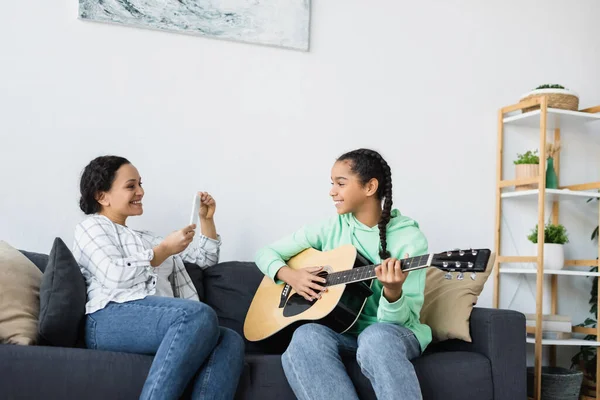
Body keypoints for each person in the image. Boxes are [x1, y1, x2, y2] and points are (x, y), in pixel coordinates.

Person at [254, 148, 430, 400]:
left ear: (370, 187)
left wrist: (392, 292)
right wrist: (290, 275)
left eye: (341, 183)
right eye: (332, 183)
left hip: (393, 333)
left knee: (375, 337)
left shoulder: (408, 238)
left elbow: (400, 323)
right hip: (344, 331)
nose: (332, 191)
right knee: (305, 336)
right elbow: (266, 253)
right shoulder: (329, 228)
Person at [73, 155, 244, 400]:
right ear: (102, 196)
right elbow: (114, 275)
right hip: (109, 317)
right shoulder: (92, 228)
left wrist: (206, 220)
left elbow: (203, 262)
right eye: (131, 186)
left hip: (160, 320)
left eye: (141, 184)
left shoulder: (148, 238)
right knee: (197, 314)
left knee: (229, 339)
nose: (140, 191)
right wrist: (163, 250)